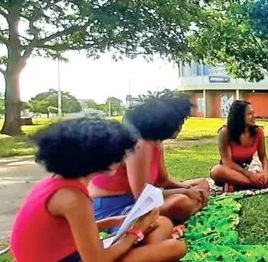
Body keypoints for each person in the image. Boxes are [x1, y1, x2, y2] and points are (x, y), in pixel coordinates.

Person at [10, 118, 187, 262]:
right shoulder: (73, 198)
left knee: (161, 223)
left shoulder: (57, 185)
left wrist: (118, 221)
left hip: (69, 258)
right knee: (175, 248)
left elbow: (65, 233)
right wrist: (135, 232)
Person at [89, 93, 210, 225]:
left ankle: (187, 209)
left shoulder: (156, 143)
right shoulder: (138, 145)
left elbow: (163, 181)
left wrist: (188, 189)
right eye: (179, 122)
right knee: (181, 203)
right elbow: (143, 196)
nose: (181, 127)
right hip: (113, 206)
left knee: (202, 184)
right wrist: (185, 192)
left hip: (141, 198)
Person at [210, 100, 268, 190]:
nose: (254, 116)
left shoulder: (258, 132)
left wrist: (265, 172)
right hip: (233, 170)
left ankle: (238, 184)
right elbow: (227, 162)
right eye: (250, 114)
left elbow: (263, 156)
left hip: (251, 167)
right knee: (216, 171)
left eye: (254, 112)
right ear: (239, 117)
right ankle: (267, 184)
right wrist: (250, 175)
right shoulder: (225, 132)